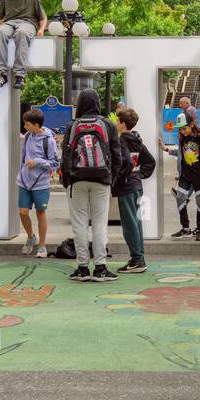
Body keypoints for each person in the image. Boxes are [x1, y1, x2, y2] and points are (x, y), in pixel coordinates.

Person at [62, 88, 127, 283]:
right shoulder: (107, 124)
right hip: (101, 180)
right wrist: (111, 178)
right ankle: (100, 268)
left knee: (79, 224)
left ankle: (82, 268)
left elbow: (65, 155)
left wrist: (67, 180)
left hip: (76, 180)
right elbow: (117, 156)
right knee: (99, 224)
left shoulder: (73, 125)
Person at [113, 107, 156, 274]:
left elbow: (126, 163)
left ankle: (137, 259)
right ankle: (139, 258)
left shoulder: (122, 140)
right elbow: (150, 161)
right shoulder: (137, 140)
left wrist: (120, 177)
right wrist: (139, 174)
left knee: (129, 223)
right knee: (136, 223)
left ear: (123, 124)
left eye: (118, 121)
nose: (116, 123)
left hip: (127, 185)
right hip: (136, 184)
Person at [0, 0, 47, 91]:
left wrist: (41, 29)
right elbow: (0, 17)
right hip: (9, 22)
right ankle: (1, 74)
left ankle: (19, 75)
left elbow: (43, 18)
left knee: (21, 33)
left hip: (28, 23)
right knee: (0, 33)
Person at [17, 109, 60, 260]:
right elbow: (23, 154)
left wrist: (37, 162)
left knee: (40, 212)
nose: (25, 126)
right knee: (22, 212)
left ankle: (42, 245)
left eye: (27, 124)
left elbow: (55, 163)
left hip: (41, 182)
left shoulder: (48, 140)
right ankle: (31, 237)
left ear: (36, 125)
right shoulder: (28, 135)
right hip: (24, 180)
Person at [171, 118, 200, 240]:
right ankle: (185, 228)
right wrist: (166, 149)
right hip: (185, 175)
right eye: (180, 129)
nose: (182, 131)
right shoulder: (182, 138)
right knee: (180, 198)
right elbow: (180, 153)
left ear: (191, 125)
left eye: (184, 128)